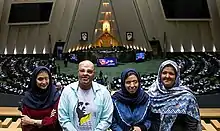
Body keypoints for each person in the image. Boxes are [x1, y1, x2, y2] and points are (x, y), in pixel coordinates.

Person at [58, 60, 113, 131]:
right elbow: (63, 117)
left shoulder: (104, 92)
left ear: (94, 74)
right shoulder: (67, 91)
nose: (85, 73)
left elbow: (106, 118)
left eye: (89, 71)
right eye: (82, 70)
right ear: (78, 72)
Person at [147, 60, 201, 131]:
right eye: (164, 73)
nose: (167, 76)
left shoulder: (187, 98)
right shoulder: (151, 94)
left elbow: (191, 126)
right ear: (160, 75)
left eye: (171, 73)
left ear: (176, 76)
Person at [21, 66, 61, 131]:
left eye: (46, 78)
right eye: (40, 79)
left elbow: (54, 123)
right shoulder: (27, 97)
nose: (44, 82)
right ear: (34, 80)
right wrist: (46, 122)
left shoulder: (55, 95)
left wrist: (32, 121)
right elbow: (25, 124)